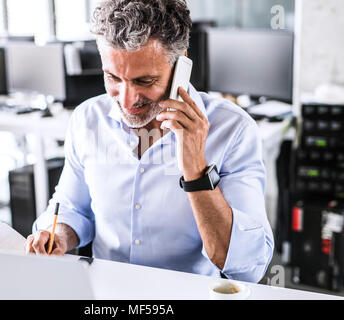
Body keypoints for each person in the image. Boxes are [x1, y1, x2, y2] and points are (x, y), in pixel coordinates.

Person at [25, 0, 274, 283]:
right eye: (113, 77)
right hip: (105, 293)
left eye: (144, 81)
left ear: (181, 65)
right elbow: (72, 207)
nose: (127, 100)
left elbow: (247, 268)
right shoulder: (87, 119)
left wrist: (195, 169)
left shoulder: (233, 130)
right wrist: (57, 235)